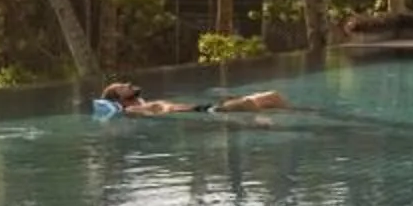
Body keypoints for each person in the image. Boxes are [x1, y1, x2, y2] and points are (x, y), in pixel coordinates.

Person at [97, 81, 288, 117]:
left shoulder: (141, 103)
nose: (128, 84)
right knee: (248, 103)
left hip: (206, 106)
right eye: (121, 87)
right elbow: (157, 109)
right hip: (204, 110)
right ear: (119, 99)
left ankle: (304, 113)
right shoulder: (131, 110)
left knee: (273, 96)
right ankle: (266, 121)